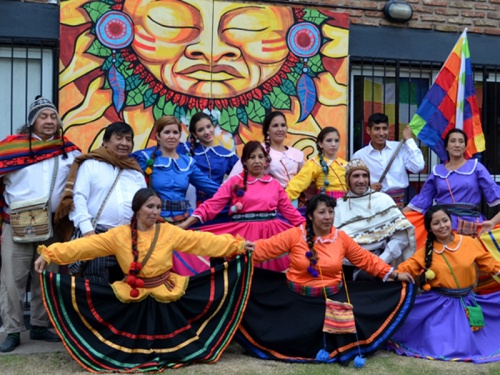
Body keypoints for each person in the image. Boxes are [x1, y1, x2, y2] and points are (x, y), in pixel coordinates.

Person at [33, 188, 253, 372]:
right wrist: (50, 254)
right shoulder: (118, 235)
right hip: (133, 294)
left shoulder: (169, 231)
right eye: (150, 206)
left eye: (158, 207)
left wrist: (236, 246)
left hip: (165, 293)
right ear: (137, 209)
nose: (155, 211)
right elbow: (84, 246)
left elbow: (201, 242)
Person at [237, 194, 415, 364]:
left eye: (331, 212)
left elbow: (366, 260)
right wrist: (234, 249)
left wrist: (394, 274)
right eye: (322, 212)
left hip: (331, 299)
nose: (327, 216)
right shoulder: (294, 235)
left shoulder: (341, 238)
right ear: (310, 216)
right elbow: (264, 249)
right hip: (296, 299)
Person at [0, 96, 81, 352]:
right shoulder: (10, 149)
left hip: (52, 225)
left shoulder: (69, 150)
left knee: (46, 276)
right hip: (16, 224)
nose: (49, 121)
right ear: (32, 121)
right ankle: (12, 330)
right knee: (13, 279)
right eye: (43, 116)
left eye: (53, 116)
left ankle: (39, 324)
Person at [387, 206, 500, 363]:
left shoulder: (469, 242)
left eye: (445, 221)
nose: (442, 226)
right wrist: (388, 275)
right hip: (438, 304)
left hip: (467, 302)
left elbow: (492, 266)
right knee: (436, 340)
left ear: (451, 221)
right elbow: (406, 268)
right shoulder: (425, 251)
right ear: (430, 228)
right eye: (436, 223)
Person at [179, 141, 304, 272]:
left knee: (271, 275)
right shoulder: (234, 182)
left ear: (266, 161)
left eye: (260, 157)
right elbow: (212, 204)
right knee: (243, 273)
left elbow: (290, 212)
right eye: (252, 157)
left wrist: (310, 229)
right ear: (244, 161)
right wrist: (185, 224)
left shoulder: (274, 184)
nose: (257, 161)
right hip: (243, 235)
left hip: (271, 235)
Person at [55, 122, 146, 284]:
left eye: (128, 139)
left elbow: (143, 206)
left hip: (129, 240)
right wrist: (89, 233)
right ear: (105, 142)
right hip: (98, 236)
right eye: (119, 138)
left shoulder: (135, 171)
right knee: (98, 289)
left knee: (129, 287)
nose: (124, 143)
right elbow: (78, 199)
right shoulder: (91, 165)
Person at [133, 115, 220, 275]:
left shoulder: (188, 162)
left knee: (188, 271)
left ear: (180, 136)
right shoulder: (145, 159)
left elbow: (212, 188)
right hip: (155, 223)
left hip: (184, 223)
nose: (172, 136)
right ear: (158, 136)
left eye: (175, 132)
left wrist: (241, 190)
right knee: (156, 269)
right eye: (167, 132)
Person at [403, 128, 500, 236]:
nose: (457, 145)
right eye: (453, 141)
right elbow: (423, 199)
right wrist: (398, 215)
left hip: (471, 226)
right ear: (446, 147)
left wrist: (493, 222)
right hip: (443, 227)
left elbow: (493, 191)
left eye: (461, 141)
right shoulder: (437, 171)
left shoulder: (476, 167)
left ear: (465, 147)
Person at [334, 159, 415, 280]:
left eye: (365, 176)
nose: (361, 180)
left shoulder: (383, 200)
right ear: (347, 180)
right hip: (346, 268)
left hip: (381, 262)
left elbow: (401, 237)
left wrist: (380, 262)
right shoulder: (338, 206)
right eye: (356, 176)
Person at [352, 113, 425, 208]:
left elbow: (418, 166)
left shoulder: (399, 148)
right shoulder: (359, 156)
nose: (381, 133)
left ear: (388, 129)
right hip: (374, 204)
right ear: (368, 130)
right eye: (377, 129)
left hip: (401, 203)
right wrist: (368, 188)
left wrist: (409, 140)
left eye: (384, 128)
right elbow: (352, 183)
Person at [229, 111, 304, 189]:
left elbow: (306, 179)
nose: (280, 129)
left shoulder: (296, 154)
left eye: (283, 125)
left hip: (294, 199)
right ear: (267, 130)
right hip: (268, 197)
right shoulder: (258, 150)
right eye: (275, 126)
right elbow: (234, 176)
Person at [177, 112, 239, 205]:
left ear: (213, 127)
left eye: (209, 126)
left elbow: (242, 174)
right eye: (201, 130)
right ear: (195, 134)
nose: (206, 132)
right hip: (192, 203)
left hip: (219, 202)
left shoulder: (226, 155)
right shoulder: (185, 148)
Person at [286, 126, 347, 202]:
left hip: (345, 205)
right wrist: (284, 200)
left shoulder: (344, 164)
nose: (334, 144)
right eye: (329, 140)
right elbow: (298, 183)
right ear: (320, 144)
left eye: (336, 140)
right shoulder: (314, 163)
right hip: (325, 205)